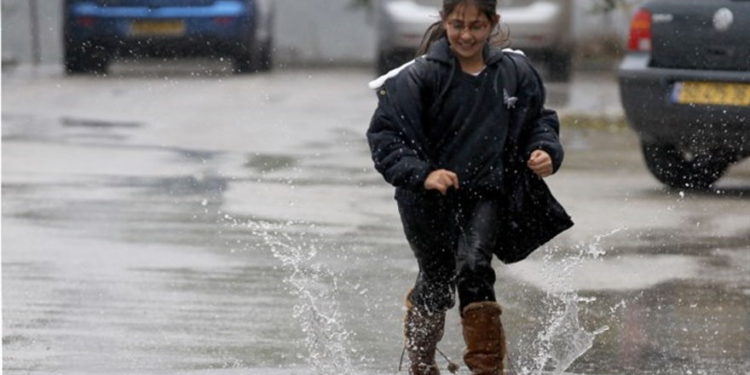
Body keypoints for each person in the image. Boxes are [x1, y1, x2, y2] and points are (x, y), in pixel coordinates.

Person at [366, 0, 574, 374]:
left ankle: (487, 367)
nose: (466, 35)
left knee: (475, 267)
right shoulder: (418, 78)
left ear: (493, 23)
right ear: (445, 22)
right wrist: (424, 173)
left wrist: (544, 150)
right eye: (458, 24)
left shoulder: (514, 72)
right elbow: (386, 138)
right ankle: (421, 363)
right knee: (437, 278)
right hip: (426, 199)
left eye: (476, 26)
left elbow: (538, 121)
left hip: (487, 193)